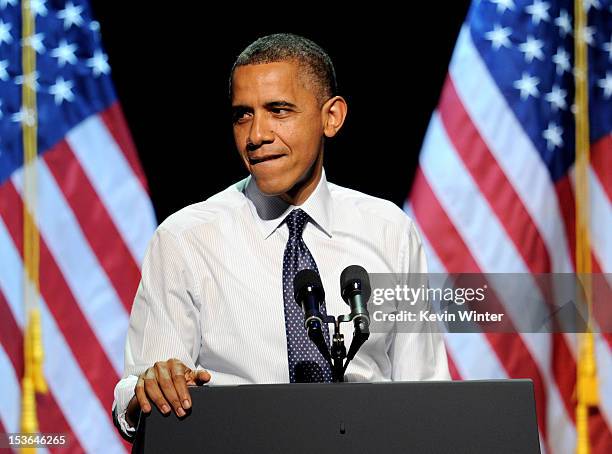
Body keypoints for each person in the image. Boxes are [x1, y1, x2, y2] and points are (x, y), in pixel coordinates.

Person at [112, 33, 450, 439]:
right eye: (243, 115)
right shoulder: (186, 239)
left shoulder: (389, 229)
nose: (257, 135)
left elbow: (426, 391)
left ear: (332, 117)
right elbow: (137, 392)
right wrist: (146, 390)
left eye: (279, 110)